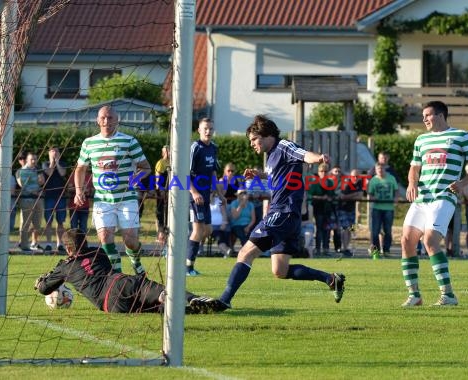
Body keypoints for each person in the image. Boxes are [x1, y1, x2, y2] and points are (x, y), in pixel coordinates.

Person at [214, 114, 346, 312]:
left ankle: (224, 299)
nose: (252, 144)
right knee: (280, 270)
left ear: (266, 135)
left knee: (245, 252)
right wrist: (261, 175)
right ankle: (330, 279)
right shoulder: (272, 156)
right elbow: (278, 178)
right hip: (288, 217)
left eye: (254, 140)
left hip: (282, 213)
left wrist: (318, 158)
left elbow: (302, 154)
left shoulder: (284, 145)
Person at [400, 101, 468, 307]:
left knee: (429, 241)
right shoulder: (421, 140)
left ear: (440, 115)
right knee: (406, 241)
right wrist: (412, 183)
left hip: (444, 197)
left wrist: (463, 183)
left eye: (427, 115)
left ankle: (448, 295)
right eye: (423, 116)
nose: (424, 119)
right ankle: (415, 295)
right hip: (422, 198)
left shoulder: (461, 136)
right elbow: (414, 167)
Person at [34, 229, 220, 314]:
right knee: (159, 291)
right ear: (86, 242)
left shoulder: (64, 266)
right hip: (121, 283)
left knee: (153, 309)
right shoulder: (98, 253)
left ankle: (192, 312)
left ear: (68, 249)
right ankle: (193, 299)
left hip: (110, 306)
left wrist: (40, 282)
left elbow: (43, 288)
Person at [73, 106, 152, 275]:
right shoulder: (89, 143)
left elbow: (146, 168)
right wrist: (79, 191)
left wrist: (134, 180)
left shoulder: (129, 141)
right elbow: (80, 169)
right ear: (97, 120)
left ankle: (136, 262)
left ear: (117, 120)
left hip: (126, 198)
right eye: (103, 117)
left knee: (130, 240)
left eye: (110, 118)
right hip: (102, 200)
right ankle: (117, 274)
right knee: (104, 237)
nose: (106, 121)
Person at [186, 117, 221, 276]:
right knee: (198, 230)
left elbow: (213, 172)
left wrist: (220, 193)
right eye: (205, 128)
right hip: (195, 196)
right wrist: (194, 192)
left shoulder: (213, 148)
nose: (208, 131)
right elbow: (185, 174)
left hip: (206, 196)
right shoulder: (195, 148)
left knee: (207, 230)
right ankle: (188, 267)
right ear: (199, 130)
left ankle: (182, 248)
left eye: (211, 129)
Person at [15, 152, 45, 253]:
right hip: (27, 200)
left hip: (38, 200)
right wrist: (34, 191)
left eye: (35, 159)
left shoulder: (38, 170)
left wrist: (40, 179)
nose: (34, 161)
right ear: (27, 160)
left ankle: (30, 242)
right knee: (25, 223)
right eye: (32, 159)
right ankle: (24, 245)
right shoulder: (21, 171)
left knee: (37, 225)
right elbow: (23, 185)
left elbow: (42, 182)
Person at [367, 163, 399, 257]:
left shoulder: (391, 178)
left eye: (381, 168)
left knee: (388, 230)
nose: (380, 170)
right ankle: (376, 251)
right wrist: (372, 198)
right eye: (378, 169)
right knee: (375, 231)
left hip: (388, 208)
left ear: (384, 169)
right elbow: (370, 193)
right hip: (377, 208)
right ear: (376, 170)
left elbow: (396, 191)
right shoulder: (373, 180)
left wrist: (396, 199)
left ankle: (386, 250)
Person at [42, 146, 68, 254]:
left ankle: (59, 244)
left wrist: (57, 161)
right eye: (53, 151)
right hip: (49, 196)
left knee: (60, 222)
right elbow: (49, 173)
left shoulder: (63, 164)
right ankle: (48, 243)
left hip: (61, 196)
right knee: (48, 221)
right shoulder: (45, 164)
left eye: (56, 151)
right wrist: (52, 162)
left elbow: (62, 173)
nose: (55, 153)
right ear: (49, 153)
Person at [307, 163, 332, 256]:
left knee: (327, 229)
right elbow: (310, 195)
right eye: (322, 171)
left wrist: (330, 198)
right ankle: (317, 248)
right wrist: (320, 197)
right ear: (318, 172)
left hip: (327, 209)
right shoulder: (315, 183)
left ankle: (326, 249)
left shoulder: (330, 183)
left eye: (325, 171)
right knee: (319, 229)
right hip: (318, 208)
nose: (324, 173)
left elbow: (332, 195)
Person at [338, 168, 364, 256]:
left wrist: (351, 196)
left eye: (357, 176)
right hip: (342, 209)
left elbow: (360, 196)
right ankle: (344, 248)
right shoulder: (346, 184)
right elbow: (342, 197)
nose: (355, 178)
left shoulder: (359, 183)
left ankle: (346, 248)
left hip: (351, 210)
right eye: (353, 176)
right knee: (345, 228)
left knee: (350, 229)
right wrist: (355, 195)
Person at [67, 167, 93, 234]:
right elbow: (69, 189)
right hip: (73, 206)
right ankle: (74, 243)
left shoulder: (90, 176)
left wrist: (88, 190)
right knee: (73, 227)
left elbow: (93, 189)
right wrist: (79, 190)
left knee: (83, 227)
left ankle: (83, 243)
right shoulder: (74, 175)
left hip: (85, 205)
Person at [154, 145, 170, 245]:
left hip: (170, 192)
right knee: (161, 215)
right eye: (166, 151)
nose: (168, 153)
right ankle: (161, 237)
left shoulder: (172, 163)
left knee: (168, 215)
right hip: (162, 192)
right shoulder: (161, 163)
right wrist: (161, 190)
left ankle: (167, 238)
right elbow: (158, 179)